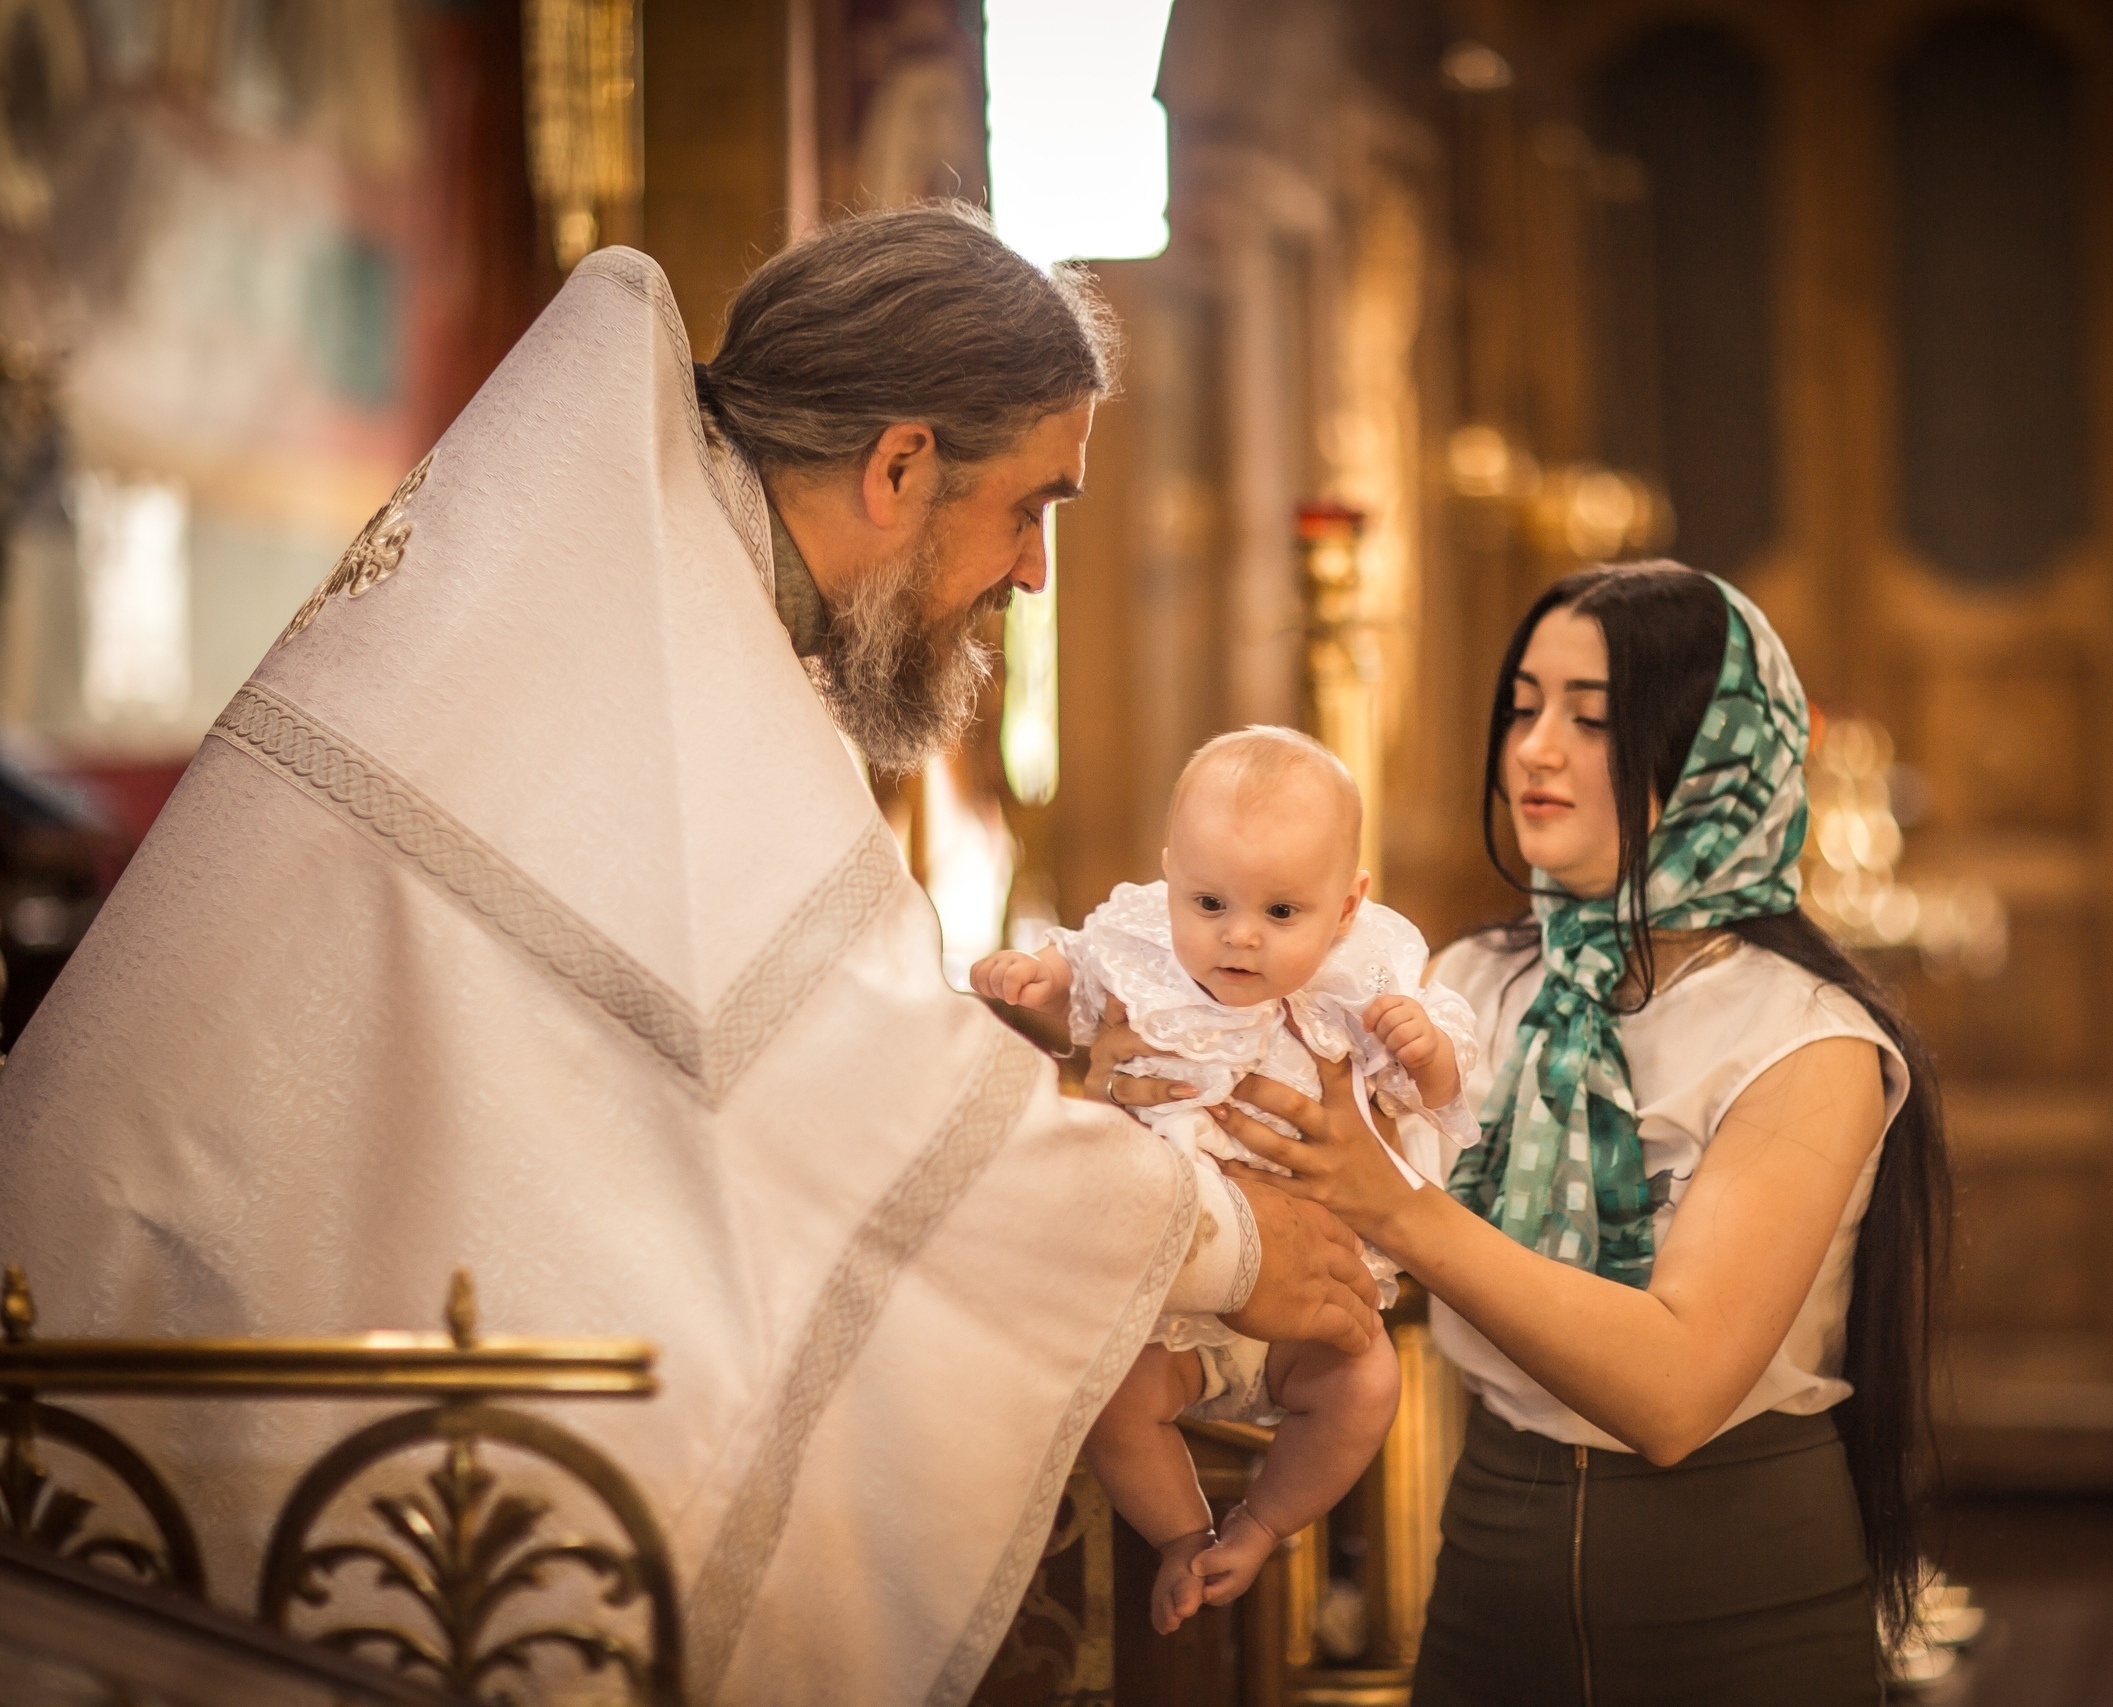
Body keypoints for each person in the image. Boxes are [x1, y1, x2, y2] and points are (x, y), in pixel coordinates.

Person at [0, 204, 1380, 1706]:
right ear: (902, 464)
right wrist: (1216, 1233)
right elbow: (865, 1095)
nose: (1035, 571)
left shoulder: (639, 585)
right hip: (185, 1500)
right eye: (1030, 508)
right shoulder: (662, 647)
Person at [1098, 563, 1949, 1706]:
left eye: (1590, 719)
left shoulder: (1806, 1040)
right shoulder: (1466, 986)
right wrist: (1152, 1102)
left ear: (1711, 757)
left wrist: (1395, 1202)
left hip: (1735, 1588)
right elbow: (1327, 1256)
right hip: (1493, 1559)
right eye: (1523, 706)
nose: (1533, 749)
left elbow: (1677, 1392)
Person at [972, 725, 1477, 1635]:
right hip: (1169, 1300)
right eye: (1208, 901)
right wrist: (1032, 978)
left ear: (1348, 906)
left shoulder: (1361, 989)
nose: (1239, 936)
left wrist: (1424, 1050)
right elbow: (1075, 981)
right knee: (1112, 1395)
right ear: (1170, 880)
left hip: (1310, 1299)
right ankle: (1183, 1536)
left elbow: (1439, 1094)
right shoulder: (1141, 957)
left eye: (1282, 913)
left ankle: (1260, 1525)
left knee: (1367, 1384)